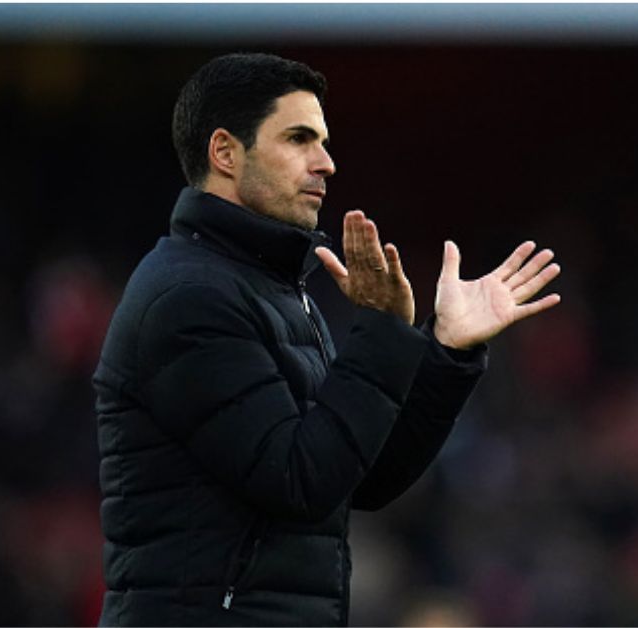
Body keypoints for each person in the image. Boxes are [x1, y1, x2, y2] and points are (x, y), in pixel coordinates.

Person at [92, 52, 561, 626]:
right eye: (299, 138)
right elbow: (301, 479)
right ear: (225, 153)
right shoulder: (189, 297)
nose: (327, 163)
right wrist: (381, 329)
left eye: (324, 141)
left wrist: (445, 351)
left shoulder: (269, 289)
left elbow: (358, 477)